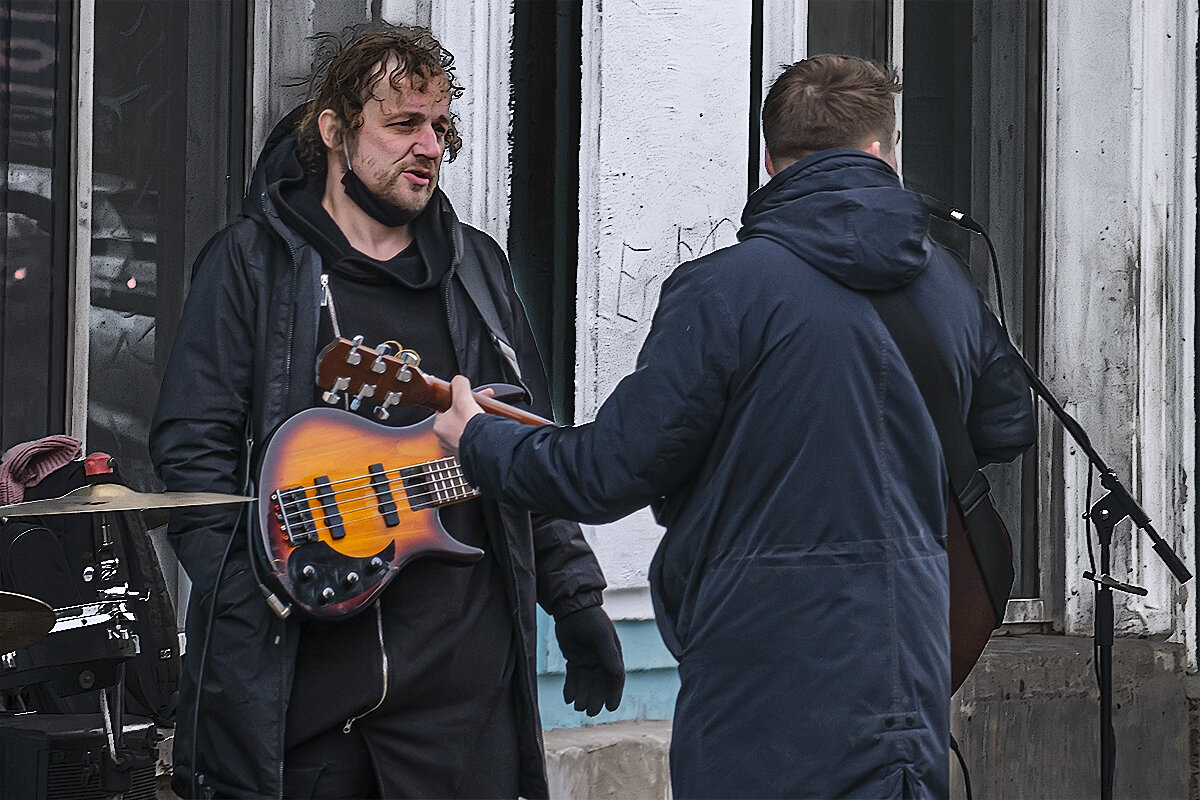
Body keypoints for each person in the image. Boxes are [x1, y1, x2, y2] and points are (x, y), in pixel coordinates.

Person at [435, 54, 1036, 798]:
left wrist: (479, 440)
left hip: (762, 687)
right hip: (908, 672)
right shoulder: (944, 278)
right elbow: (1008, 424)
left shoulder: (722, 292)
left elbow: (604, 475)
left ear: (769, 160)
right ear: (883, 150)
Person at [150, 22, 623, 800]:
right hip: (303, 704)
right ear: (335, 130)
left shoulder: (476, 269)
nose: (430, 146)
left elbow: (521, 450)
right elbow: (189, 455)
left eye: (440, 126)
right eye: (403, 123)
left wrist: (576, 602)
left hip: (460, 713)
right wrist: (253, 587)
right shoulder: (251, 265)